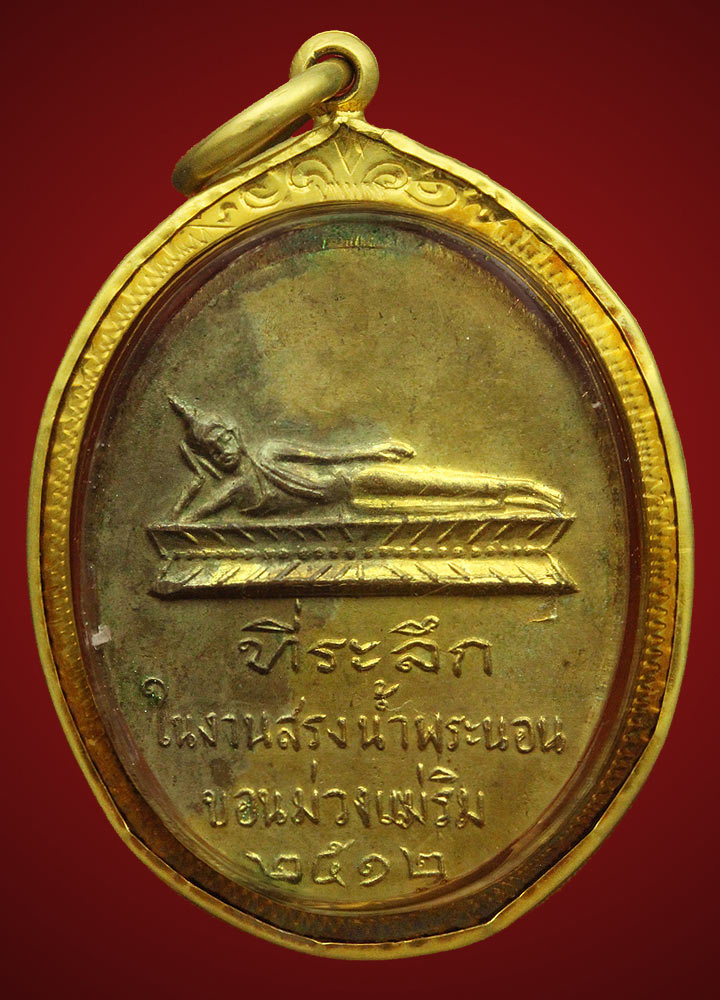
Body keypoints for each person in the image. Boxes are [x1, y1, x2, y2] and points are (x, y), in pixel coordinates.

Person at [167, 397, 563, 521]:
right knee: (440, 510)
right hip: (349, 506)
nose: (222, 451)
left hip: (354, 479)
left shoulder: (268, 452)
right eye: (213, 450)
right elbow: (188, 520)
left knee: (439, 484)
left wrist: (373, 451)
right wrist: (192, 483)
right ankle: (510, 508)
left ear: (235, 434)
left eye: (223, 440)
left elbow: (328, 456)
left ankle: (523, 489)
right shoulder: (237, 489)